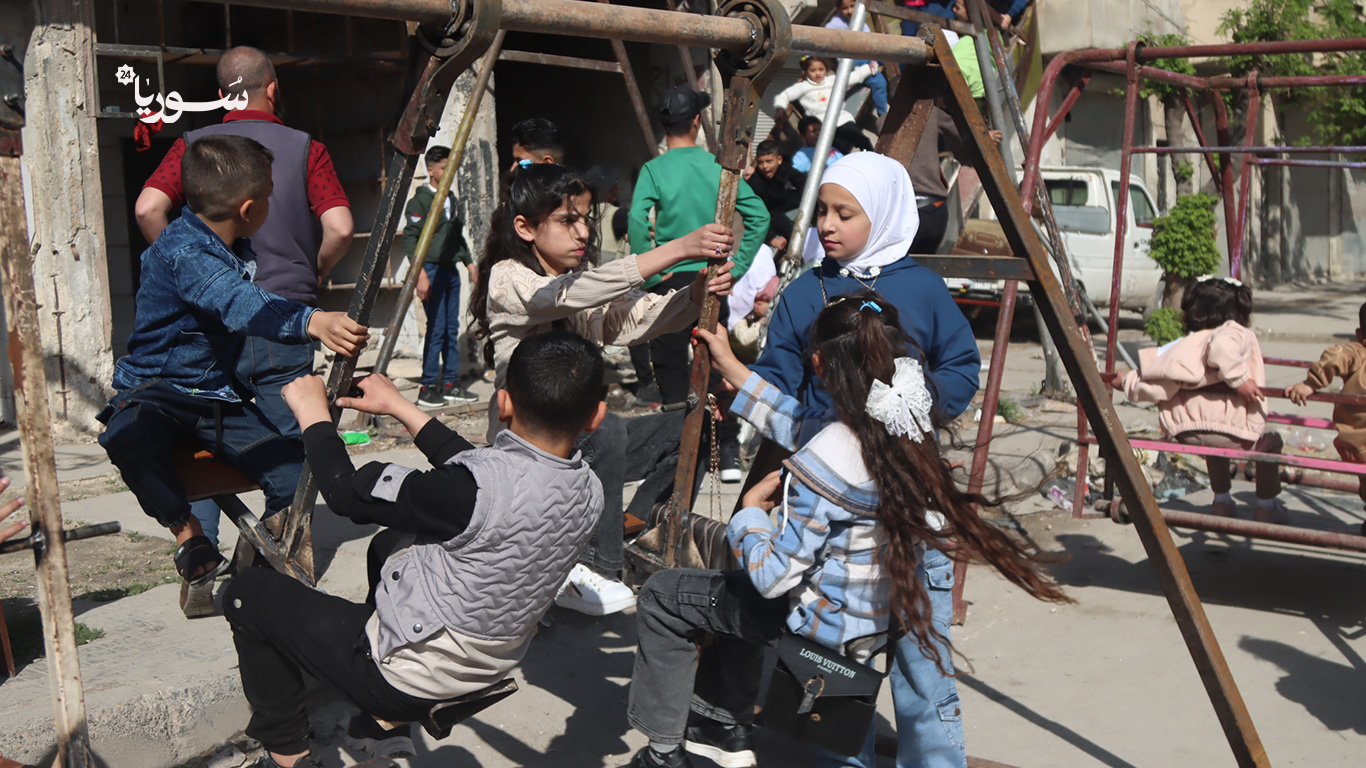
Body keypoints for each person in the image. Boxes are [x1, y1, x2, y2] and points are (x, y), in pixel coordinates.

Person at [625, 296, 1068, 768]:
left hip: (829, 623)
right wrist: (734, 368)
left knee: (666, 594)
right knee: (898, 707)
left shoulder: (827, 458)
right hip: (882, 606)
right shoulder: (906, 420)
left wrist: (750, 516)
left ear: (818, 364)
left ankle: (674, 747)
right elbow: (803, 423)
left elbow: (774, 577)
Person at [224, 331, 609, 768]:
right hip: (489, 667)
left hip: (408, 681)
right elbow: (488, 476)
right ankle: (380, 725)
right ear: (596, 416)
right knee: (390, 544)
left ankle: (288, 756)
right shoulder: (589, 491)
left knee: (248, 594)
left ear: (502, 403)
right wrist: (400, 406)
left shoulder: (468, 493)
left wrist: (313, 416)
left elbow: (346, 492)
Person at [748, 152, 981, 768]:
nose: (826, 224)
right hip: (836, 512)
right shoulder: (805, 292)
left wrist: (911, 407)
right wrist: (772, 403)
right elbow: (779, 376)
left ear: (882, 214)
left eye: (844, 213)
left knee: (924, 666)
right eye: (822, 211)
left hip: (912, 505)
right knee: (836, 665)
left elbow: (961, 365)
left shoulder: (923, 289)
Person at [133, 45, 355, 617]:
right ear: (272, 88)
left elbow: (147, 208)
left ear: (220, 92)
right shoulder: (305, 148)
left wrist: (184, 271)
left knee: (207, 435)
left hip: (211, 331)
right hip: (286, 318)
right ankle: (285, 575)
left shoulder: (195, 146)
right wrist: (313, 274)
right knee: (287, 448)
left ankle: (204, 574)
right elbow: (340, 225)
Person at [97, 135, 368, 592]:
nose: (270, 206)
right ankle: (188, 534)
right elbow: (239, 302)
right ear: (248, 209)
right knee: (128, 437)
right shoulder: (186, 252)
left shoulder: (230, 245)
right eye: (268, 197)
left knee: (294, 475)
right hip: (157, 393)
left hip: (216, 400)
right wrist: (312, 320)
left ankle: (260, 572)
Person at [470, 162, 736, 615]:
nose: (582, 233)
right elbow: (560, 296)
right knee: (607, 427)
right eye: (566, 220)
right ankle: (593, 566)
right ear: (525, 228)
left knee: (698, 422)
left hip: (582, 439)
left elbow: (634, 318)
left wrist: (694, 295)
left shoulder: (585, 278)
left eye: (584, 220)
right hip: (528, 448)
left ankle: (642, 531)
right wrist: (678, 249)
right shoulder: (508, 277)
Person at [628, 85, 769, 482]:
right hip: (711, 279)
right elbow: (759, 216)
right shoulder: (717, 166)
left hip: (669, 278)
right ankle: (727, 453)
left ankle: (676, 455)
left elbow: (637, 219)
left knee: (670, 365)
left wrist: (650, 270)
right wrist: (736, 267)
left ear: (663, 125)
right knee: (716, 360)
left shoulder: (654, 169)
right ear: (695, 121)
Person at [1117, 277, 1286, 522]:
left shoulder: (1187, 344)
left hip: (1186, 430)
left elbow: (1158, 381)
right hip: (1234, 432)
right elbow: (1221, 349)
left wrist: (1125, 382)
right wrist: (1240, 381)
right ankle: (1266, 506)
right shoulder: (1233, 332)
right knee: (1271, 441)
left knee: (1214, 450)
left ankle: (1222, 502)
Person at [405, 145, 479, 407]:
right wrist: (420, 274)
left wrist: (470, 264)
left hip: (450, 270)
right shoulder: (420, 201)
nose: (449, 172)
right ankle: (427, 387)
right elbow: (410, 240)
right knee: (436, 329)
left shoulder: (451, 199)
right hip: (431, 270)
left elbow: (457, 237)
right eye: (444, 168)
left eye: (451, 167)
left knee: (451, 328)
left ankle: (450, 383)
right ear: (431, 170)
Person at [1286, 301, 1366, 526]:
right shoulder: (1358, 354)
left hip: (1355, 447)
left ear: (1359, 334)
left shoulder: (1357, 353)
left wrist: (1311, 383)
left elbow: (1335, 355)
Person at [773, 57, 875, 157]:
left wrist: (868, 68)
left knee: (861, 139)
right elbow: (785, 95)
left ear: (826, 70)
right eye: (813, 70)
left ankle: (873, 158)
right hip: (822, 125)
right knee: (838, 149)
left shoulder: (832, 80)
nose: (818, 73)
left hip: (841, 119)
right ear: (806, 71)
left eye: (821, 69)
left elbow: (852, 77)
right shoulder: (802, 87)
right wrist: (780, 109)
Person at [824, 0, 889, 117]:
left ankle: (883, 114)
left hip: (865, 58)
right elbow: (821, 38)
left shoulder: (861, 19)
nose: (849, 11)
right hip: (849, 63)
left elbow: (870, 41)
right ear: (839, 9)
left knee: (880, 82)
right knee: (873, 78)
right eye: (845, 8)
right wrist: (807, 62)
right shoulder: (835, 24)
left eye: (852, 6)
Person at [743, 140, 806, 252]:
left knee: (813, 197)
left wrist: (808, 208)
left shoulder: (785, 168)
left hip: (783, 200)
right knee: (789, 229)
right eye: (761, 162)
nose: (765, 167)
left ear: (779, 160)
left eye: (769, 161)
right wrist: (771, 238)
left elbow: (803, 183)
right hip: (770, 212)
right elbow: (756, 214)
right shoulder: (754, 183)